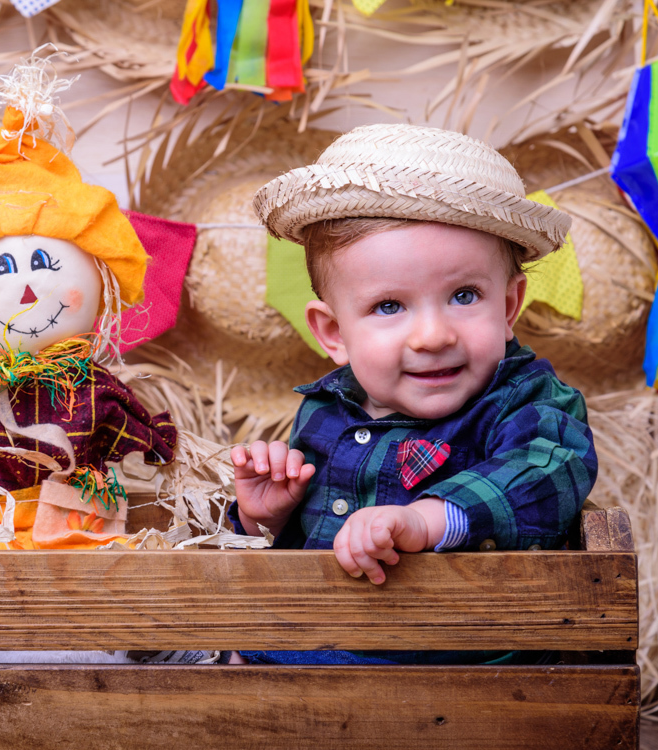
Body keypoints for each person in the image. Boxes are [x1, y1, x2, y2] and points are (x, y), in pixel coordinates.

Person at [228, 123, 598, 665]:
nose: (433, 336)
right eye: (389, 306)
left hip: (460, 682)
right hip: (298, 660)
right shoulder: (325, 410)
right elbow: (292, 560)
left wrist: (428, 519)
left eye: (464, 295)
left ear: (509, 306)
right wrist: (267, 518)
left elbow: (549, 468)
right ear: (332, 333)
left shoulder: (527, 404)